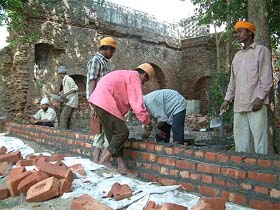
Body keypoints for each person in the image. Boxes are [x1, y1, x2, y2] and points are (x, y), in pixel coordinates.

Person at [88, 63, 154, 174]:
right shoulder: (135, 77)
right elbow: (137, 104)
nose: (143, 83)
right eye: (145, 80)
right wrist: (147, 121)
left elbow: (123, 99)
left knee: (113, 137)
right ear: (144, 74)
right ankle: (104, 160)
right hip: (105, 101)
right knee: (123, 133)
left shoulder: (125, 74)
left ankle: (121, 166)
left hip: (97, 101)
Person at [220, 20, 273, 154]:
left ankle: (261, 171)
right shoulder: (237, 56)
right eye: (237, 32)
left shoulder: (261, 51)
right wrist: (227, 100)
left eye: (240, 31)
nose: (237, 34)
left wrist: (260, 98)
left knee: (260, 142)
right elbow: (233, 81)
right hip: (239, 105)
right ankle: (244, 170)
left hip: (256, 104)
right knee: (240, 143)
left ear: (249, 33)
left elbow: (266, 78)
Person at [87, 37, 117, 163]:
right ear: (108, 48)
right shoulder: (96, 61)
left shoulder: (104, 62)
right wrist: (92, 104)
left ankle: (96, 162)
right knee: (108, 131)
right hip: (99, 102)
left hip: (104, 101)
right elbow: (91, 81)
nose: (112, 54)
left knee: (101, 132)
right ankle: (104, 162)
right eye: (113, 51)